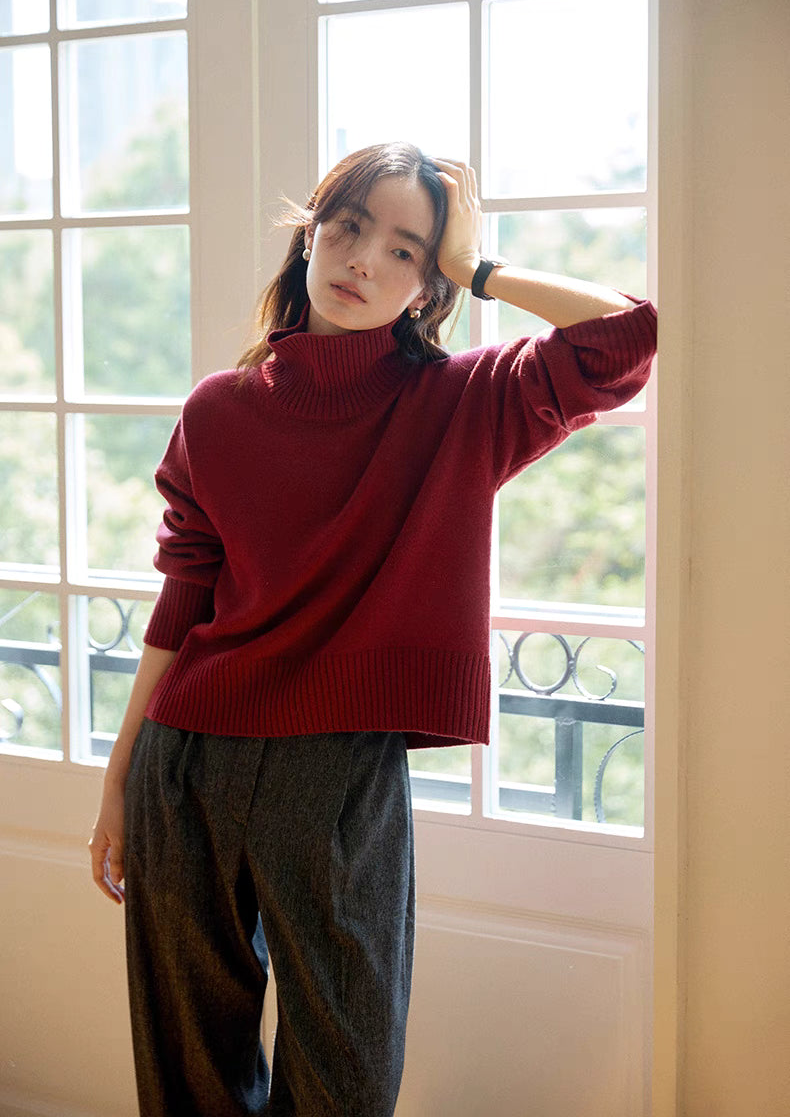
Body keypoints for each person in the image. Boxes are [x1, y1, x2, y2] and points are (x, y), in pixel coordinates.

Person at [89, 142, 656, 1117]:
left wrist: (478, 266)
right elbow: (183, 598)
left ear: (429, 284)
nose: (362, 260)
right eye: (348, 227)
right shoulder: (218, 409)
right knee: (187, 1072)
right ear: (309, 235)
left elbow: (625, 338)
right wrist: (120, 775)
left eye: (404, 250)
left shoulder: (460, 403)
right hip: (187, 762)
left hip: (337, 772)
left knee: (344, 1076)